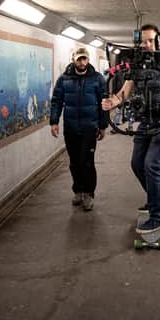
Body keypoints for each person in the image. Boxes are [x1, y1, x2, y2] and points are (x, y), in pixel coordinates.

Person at [102, 25, 160, 234]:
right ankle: (158, 199)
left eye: (150, 41)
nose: (146, 45)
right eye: (142, 41)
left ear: (158, 41)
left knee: (152, 164)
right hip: (147, 119)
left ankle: (158, 215)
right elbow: (123, 93)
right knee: (137, 164)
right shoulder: (137, 64)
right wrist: (112, 103)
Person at [50, 47, 107, 211]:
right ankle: (78, 191)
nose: (82, 62)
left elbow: (104, 104)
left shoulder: (97, 79)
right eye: (79, 59)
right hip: (71, 129)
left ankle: (89, 193)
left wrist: (102, 126)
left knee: (87, 162)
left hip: (89, 128)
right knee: (74, 163)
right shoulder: (64, 79)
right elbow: (56, 101)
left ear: (88, 60)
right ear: (73, 59)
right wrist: (54, 122)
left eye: (84, 59)